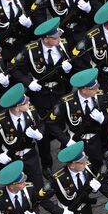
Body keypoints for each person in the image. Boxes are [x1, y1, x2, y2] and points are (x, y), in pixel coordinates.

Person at [12, 17, 77, 176]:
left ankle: (68, 156)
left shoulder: (64, 45)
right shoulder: (30, 49)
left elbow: (74, 67)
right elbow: (14, 68)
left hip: (59, 92)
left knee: (62, 124)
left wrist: (69, 69)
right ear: (45, 39)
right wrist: (28, 82)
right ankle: (47, 163)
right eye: (55, 38)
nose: (59, 40)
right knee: (44, 134)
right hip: (39, 96)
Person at [42, 141, 108, 214]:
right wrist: (60, 212)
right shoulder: (58, 179)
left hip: (85, 213)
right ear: (72, 165)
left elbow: (96, 183)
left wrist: (96, 188)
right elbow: (42, 199)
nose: (86, 163)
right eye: (82, 162)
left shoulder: (87, 168)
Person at [48, 68, 108, 171]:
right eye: (93, 88)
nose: (97, 89)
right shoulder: (66, 102)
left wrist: (103, 119)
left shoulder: (99, 96)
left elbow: (107, 115)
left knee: (97, 167)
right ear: (84, 89)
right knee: (77, 169)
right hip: (75, 141)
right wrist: (66, 140)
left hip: (95, 140)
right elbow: (51, 123)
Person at [0, 83, 45, 190]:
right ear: (18, 108)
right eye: (25, 102)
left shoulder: (31, 111)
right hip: (11, 158)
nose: (28, 102)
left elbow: (40, 124)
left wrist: (39, 134)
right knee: (16, 188)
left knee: (38, 186)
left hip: (30, 155)